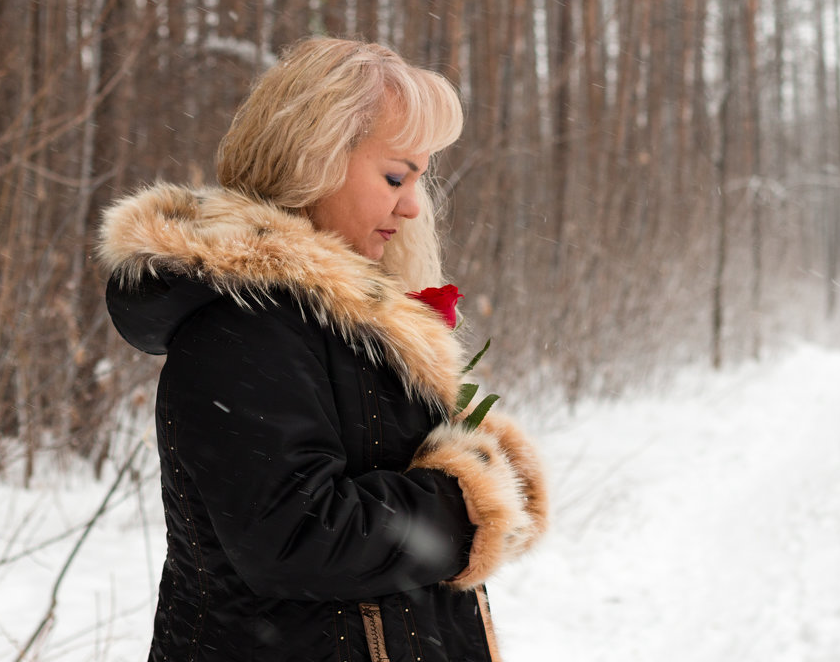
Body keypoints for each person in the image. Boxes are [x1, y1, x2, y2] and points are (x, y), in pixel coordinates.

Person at [98, 37, 548, 661]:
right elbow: (297, 536)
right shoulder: (243, 326)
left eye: (419, 178)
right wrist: (466, 501)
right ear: (314, 159)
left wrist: (478, 467)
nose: (414, 205)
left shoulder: (330, 323)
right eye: (395, 175)